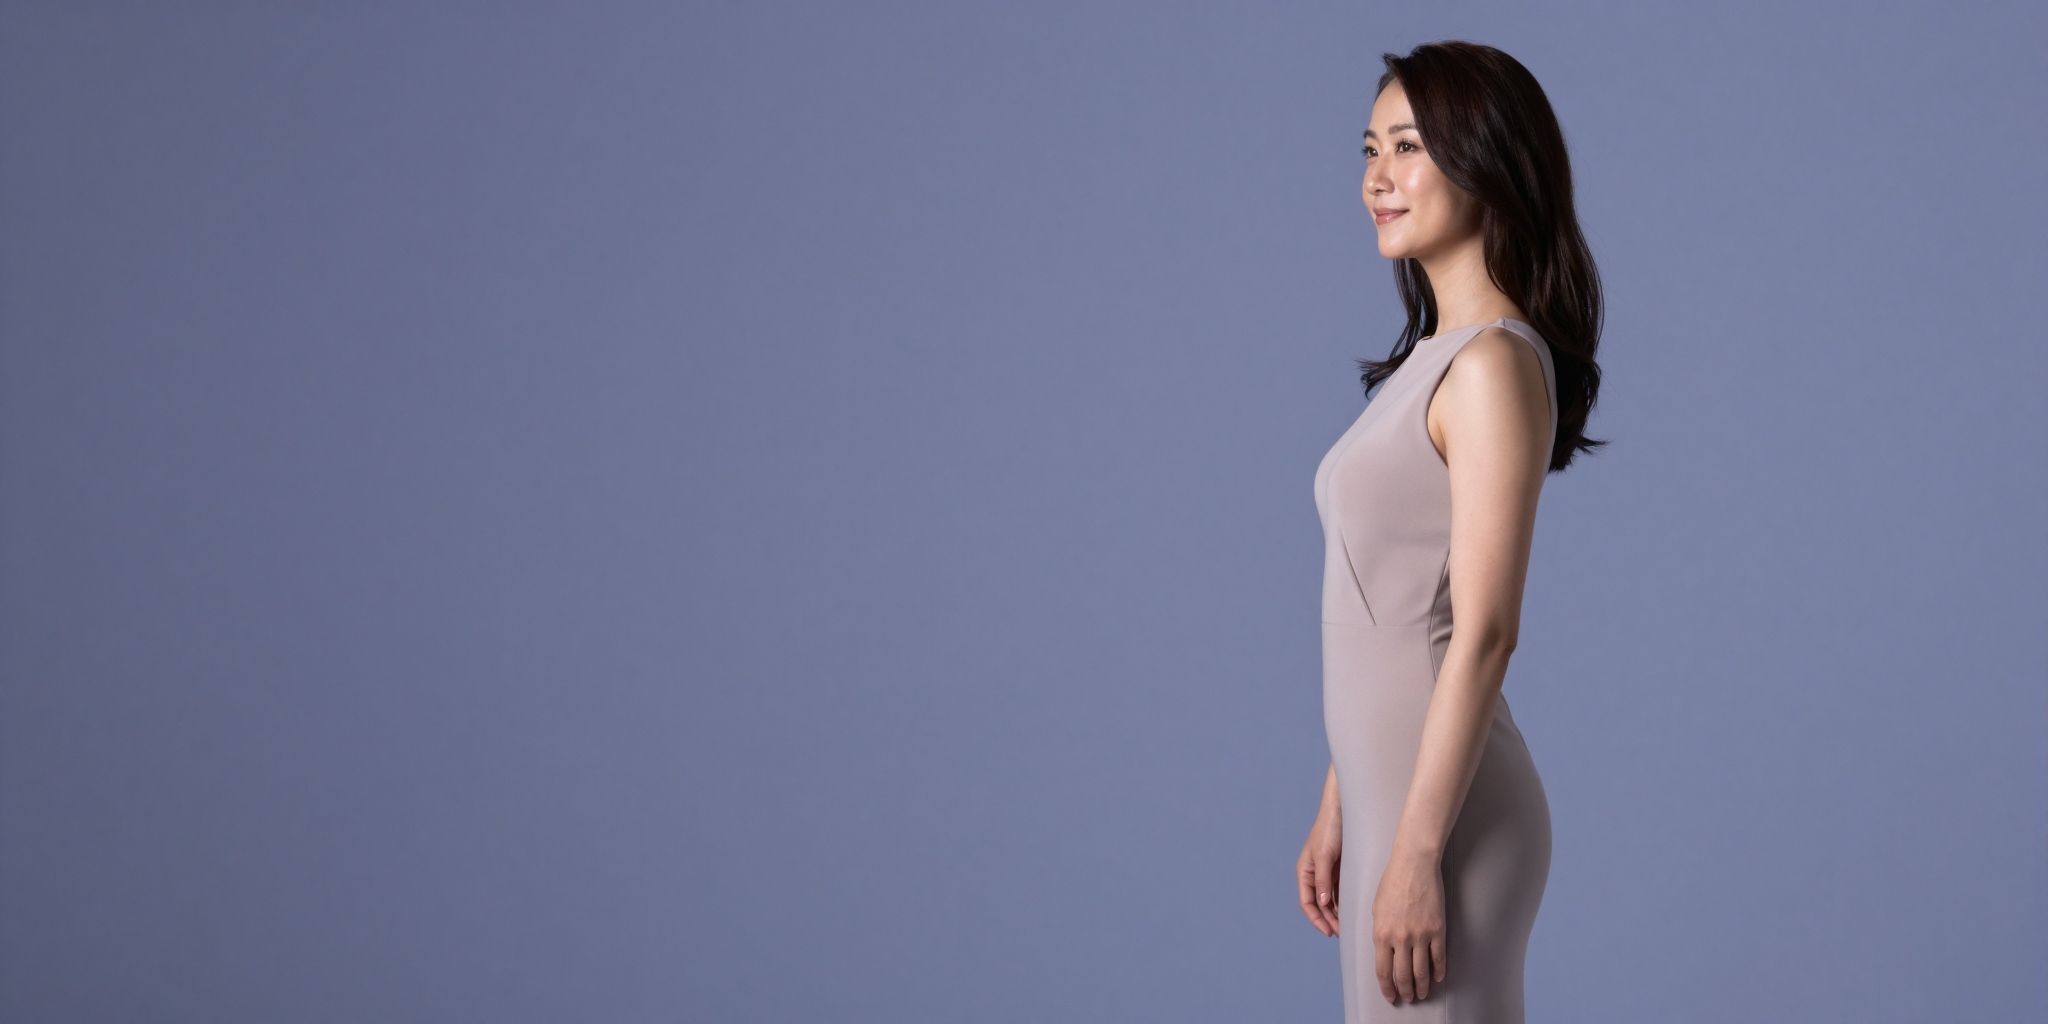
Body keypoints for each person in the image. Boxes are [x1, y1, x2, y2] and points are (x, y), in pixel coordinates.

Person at [1295, 41, 1605, 1023]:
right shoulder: (1432, 363)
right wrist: (1341, 797)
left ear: (1486, 160)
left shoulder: (1492, 366)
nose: (1375, 178)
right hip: (1391, 799)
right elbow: (1385, 606)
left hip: (1446, 818)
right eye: (1368, 148)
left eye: (1408, 147)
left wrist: (1417, 849)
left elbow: (1481, 629)